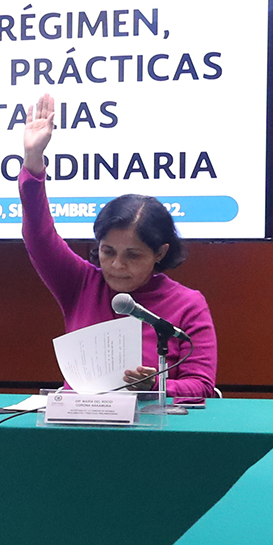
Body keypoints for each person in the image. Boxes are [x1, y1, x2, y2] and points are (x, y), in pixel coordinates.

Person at [18, 92, 216, 398]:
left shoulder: (187, 304)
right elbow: (39, 237)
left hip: (152, 423)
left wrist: (155, 386)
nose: (116, 265)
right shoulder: (81, 283)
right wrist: (33, 161)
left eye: (132, 255)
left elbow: (201, 385)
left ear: (160, 253)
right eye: (107, 251)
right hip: (79, 419)